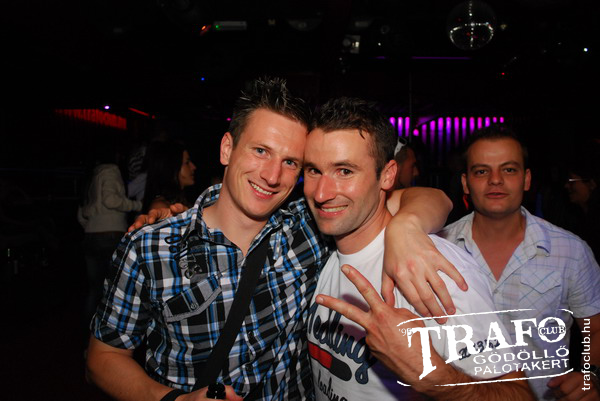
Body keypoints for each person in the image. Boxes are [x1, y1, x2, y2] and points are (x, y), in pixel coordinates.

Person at [86, 77, 461, 401]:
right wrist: (173, 399)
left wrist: (407, 227)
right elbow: (103, 357)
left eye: (291, 162)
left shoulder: (310, 226)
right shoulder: (150, 247)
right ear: (227, 148)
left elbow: (431, 198)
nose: (271, 175)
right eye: (261, 151)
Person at [306, 98, 533, 400]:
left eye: (345, 171)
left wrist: (433, 378)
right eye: (313, 170)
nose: (321, 193)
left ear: (388, 175)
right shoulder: (323, 247)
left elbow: (519, 393)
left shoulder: (434, 270)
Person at [434, 126, 600, 400]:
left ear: (526, 179)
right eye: (482, 171)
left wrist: (589, 374)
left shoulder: (571, 251)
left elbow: (593, 329)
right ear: (465, 183)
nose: (495, 180)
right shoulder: (439, 249)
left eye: (509, 170)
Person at [77, 144, 142, 327]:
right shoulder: (110, 170)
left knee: (95, 289)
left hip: (91, 236)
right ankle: (108, 334)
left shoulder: (91, 175)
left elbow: (81, 211)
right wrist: (137, 205)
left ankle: (89, 334)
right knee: (115, 290)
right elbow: (110, 200)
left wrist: (91, 226)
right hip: (110, 234)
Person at [142, 140, 197, 212]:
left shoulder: (180, 199)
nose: (193, 167)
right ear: (172, 168)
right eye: (187, 162)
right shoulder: (161, 207)